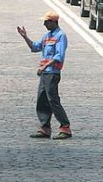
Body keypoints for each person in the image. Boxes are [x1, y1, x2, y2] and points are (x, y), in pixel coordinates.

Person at [17, 11, 72, 140]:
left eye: (46, 22)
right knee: (42, 100)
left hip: (52, 73)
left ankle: (65, 127)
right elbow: (35, 47)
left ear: (54, 22)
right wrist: (25, 36)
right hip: (45, 74)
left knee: (53, 100)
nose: (44, 24)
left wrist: (44, 66)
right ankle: (45, 128)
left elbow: (59, 56)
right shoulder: (47, 36)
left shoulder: (60, 36)